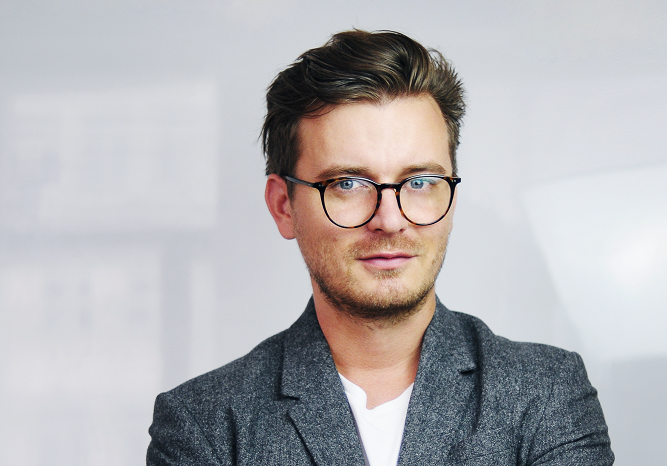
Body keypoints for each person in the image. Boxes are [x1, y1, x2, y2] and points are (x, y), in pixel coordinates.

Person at [147, 30, 614, 466]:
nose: (390, 220)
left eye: (420, 181)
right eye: (348, 183)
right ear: (283, 206)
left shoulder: (547, 392)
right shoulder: (204, 424)